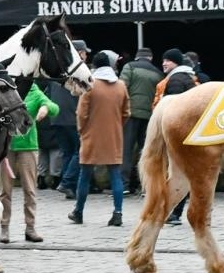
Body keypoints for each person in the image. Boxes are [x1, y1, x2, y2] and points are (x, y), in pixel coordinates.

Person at [68, 51, 130, 226]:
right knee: (115, 174)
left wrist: (82, 131)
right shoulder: (121, 86)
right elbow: (127, 113)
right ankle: (117, 213)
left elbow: (81, 113)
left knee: (85, 175)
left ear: (94, 66)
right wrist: (117, 126)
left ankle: (78, 211)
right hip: (114, 135)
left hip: (91, 135)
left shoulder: (90, 86)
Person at [1, 76, 57, 244]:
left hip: (28, 147)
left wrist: (46, 107)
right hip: (7, 146)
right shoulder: (6, 90)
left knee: (30, 190)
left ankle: (30, 228)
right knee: (5, 190)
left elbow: (55, 108)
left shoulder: (34, 91)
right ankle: (4, 227)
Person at [155, 49, 200, 224]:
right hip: (190, 131)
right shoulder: (188, 78)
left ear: (176, 62)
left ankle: (174, 212)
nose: (164, 63)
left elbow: (172, 108)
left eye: (168, 60)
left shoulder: (176, 80)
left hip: (179, 132)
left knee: (177, 173)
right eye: (163, 60)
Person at [120, 46, 161, 195]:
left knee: (126, 150)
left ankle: (123, 185)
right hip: (149, 117)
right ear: (150, 58)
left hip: (131, 114)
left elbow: (121, 87)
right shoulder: (158, 72)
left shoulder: (129, 67)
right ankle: (146, 187)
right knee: (146, 152)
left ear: (137, 56)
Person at [56, 39, 89, 196]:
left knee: (67, 152)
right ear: (80, 53)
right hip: (72, 116)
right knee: (79, 151)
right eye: (84, 52)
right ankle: (67, 182)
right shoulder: (79, 69)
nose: (86, 55)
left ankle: (69, 187)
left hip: (57, 118)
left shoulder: (58, 67)